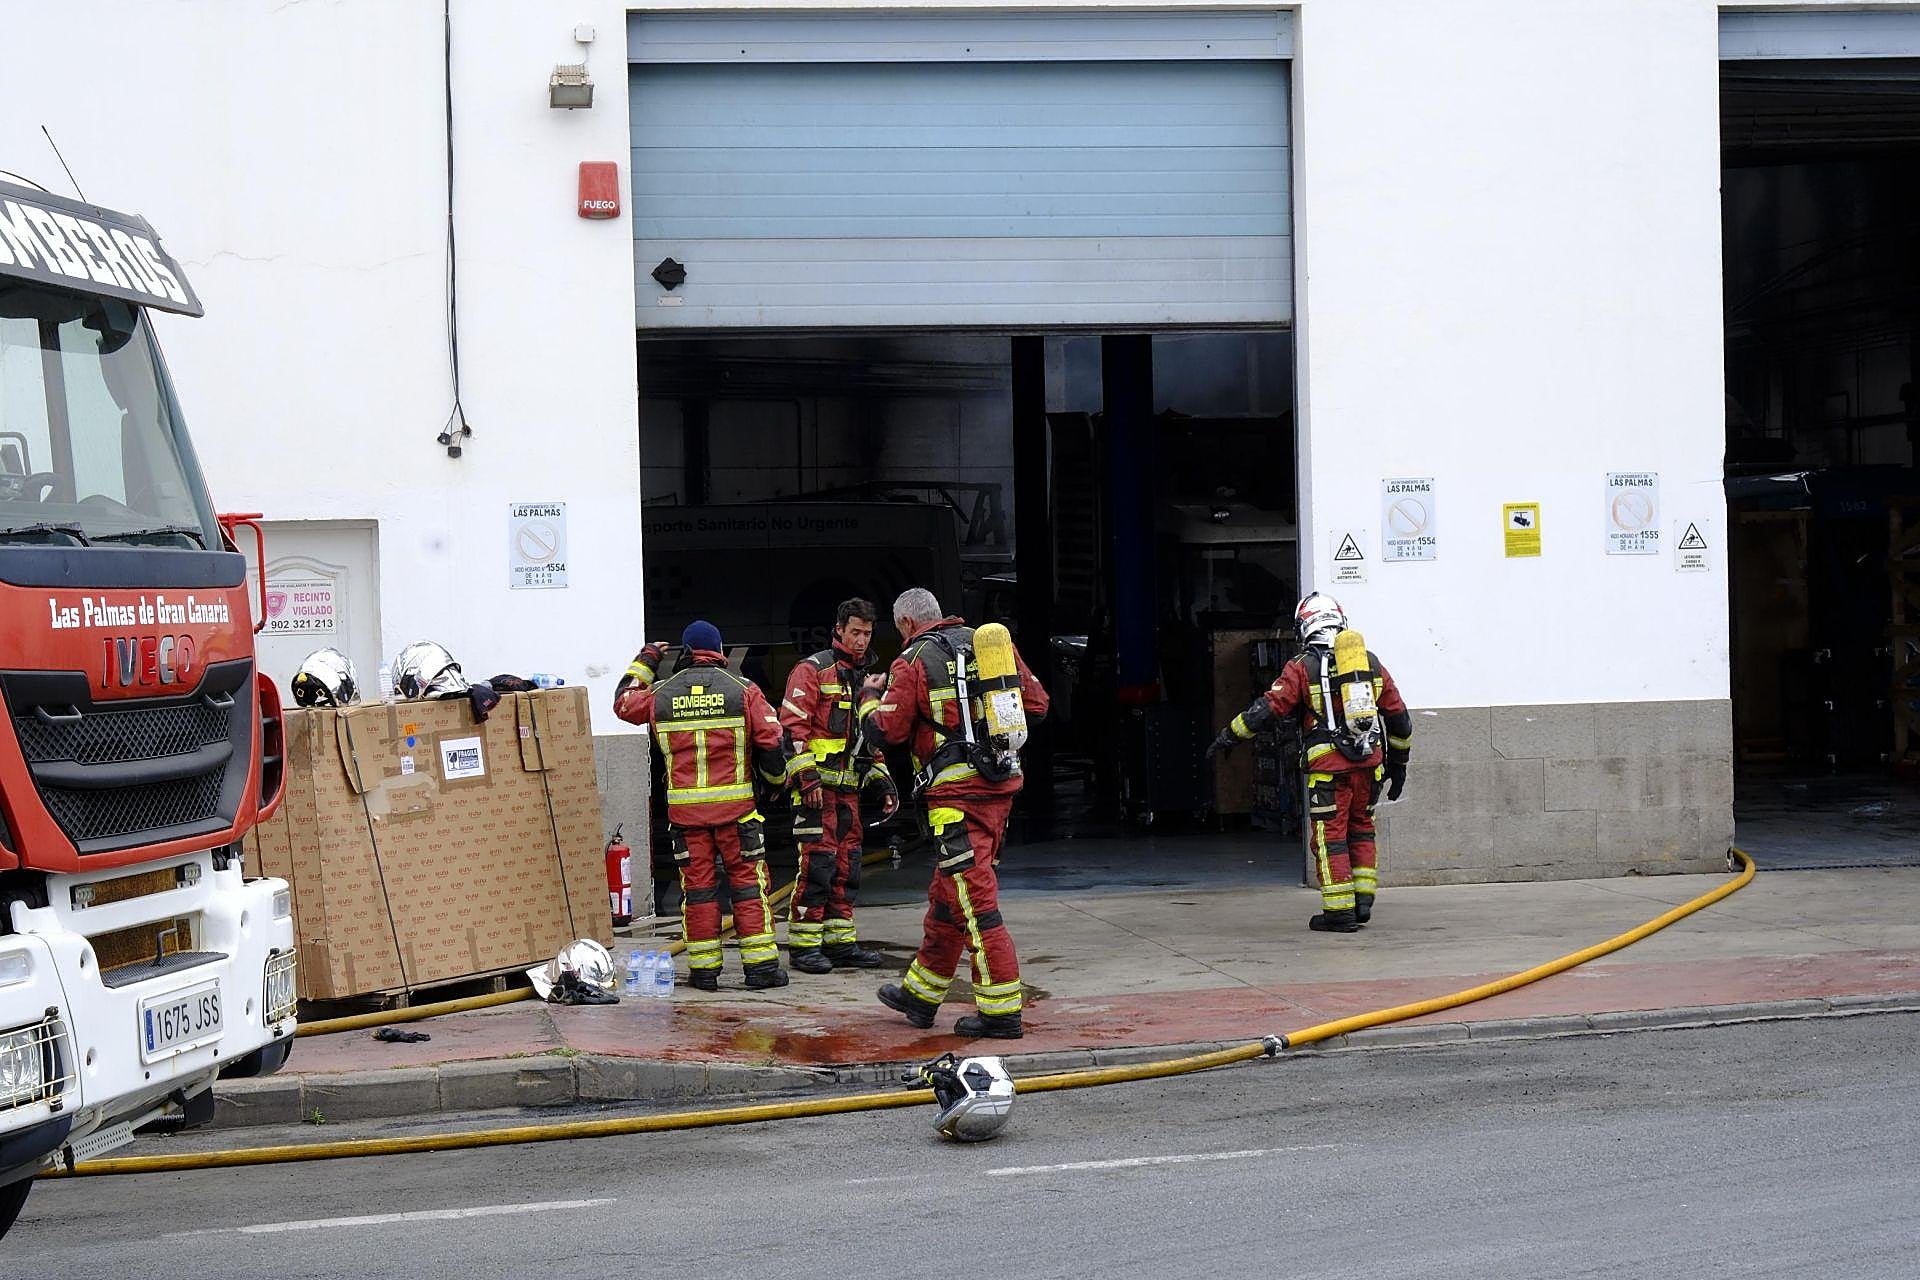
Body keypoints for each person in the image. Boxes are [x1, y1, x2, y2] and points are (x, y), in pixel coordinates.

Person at [860, 588, 1049, 1039]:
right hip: (998, 792)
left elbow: (888, 730)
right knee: (948, 897)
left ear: (906, 623)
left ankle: (1002, 1010)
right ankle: (920, 996)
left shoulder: (912, 660)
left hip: (955, 801)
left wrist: (870, 699)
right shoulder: (989, 644)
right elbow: (1038, 705)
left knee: (975, 904)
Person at [613, 620, 822, 989]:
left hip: (686, 818)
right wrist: (775, 786)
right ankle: (760, 970)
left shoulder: (661, 694)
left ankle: (704, 972)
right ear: (720, 651)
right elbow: (773, 745)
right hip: (738, 815)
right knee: (747, 887)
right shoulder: (744, 690)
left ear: (687, 653)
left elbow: (623, 703)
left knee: (697, 891)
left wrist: (645, 659)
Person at [1209, 592, 1411, 932]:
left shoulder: (1302, 667)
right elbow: (1400, 719)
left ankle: (1340, 913)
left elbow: (1268, 709)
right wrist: (1398, 767)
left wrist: (1229, 736)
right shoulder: (1371, 664)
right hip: (1369, 766)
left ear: (1305, 627)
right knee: (1361, 829)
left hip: (1329, 771)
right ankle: (1362, 903)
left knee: (1329, 837)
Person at [780, 598, 898, 974]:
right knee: (818, 866)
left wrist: (883, 784)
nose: (862, 640)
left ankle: (840, 943)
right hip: (816, 794)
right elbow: (791, 729)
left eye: (867, 633)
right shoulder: (813, 670)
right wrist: (806, 776)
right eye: (856, 632)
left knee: (848, 868)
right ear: (840, 629)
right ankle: (803, 947)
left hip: (848, 794)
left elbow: (869, 740)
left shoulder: (868, 679)